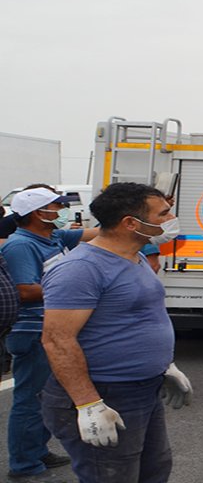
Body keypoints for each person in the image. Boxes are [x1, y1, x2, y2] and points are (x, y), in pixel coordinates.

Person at [40, 182, 192, 482]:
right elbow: (57, 340)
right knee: (111, 475)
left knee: (154, 471)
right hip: (108, 392)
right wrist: (88, 404)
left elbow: (141, 316)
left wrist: (166, 365)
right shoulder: (82, 268)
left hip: (143, 390)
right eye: (163, 214)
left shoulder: (135, 258)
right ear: (131, 223)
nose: (170, 219)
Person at [2, 187, 97, 479]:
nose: (62, 212)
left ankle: (37, 450)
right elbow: (25, 290)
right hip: (32, 330)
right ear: (37, 213)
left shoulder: (53, 236)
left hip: (50, 326)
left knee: (47, 396)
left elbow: (98, 234)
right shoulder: (20, 245)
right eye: (57, 206)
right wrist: (71, 289)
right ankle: (24, 464)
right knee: (30, 399)